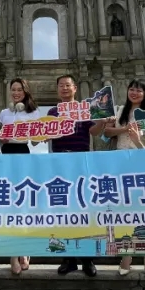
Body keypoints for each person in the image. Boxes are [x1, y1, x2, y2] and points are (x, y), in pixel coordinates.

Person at [48, 74, 109, 277]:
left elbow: (93, 131)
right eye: (61, 86)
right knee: (63, 211)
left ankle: (88, 259)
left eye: (68, 85)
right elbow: (46, 133)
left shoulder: (85, 109)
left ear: (75, 88)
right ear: (57, 90)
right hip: (59, 163)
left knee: (85, 210)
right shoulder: (52, 111)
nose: (64, 88)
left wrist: (103, 121)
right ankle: (68, 259)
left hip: (82, 162)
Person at [104, 79, 145, 277]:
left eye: (139, 90)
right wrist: (125, 130)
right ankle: (126, 255)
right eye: (132, 89)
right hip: (122, 162)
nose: (134, 93)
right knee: (126, 209)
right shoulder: (119, 111)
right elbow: (107, 131)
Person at [0, 78, 47, 275]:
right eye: (13, 89)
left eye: (19, 89)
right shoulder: (4, 113)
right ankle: (12, 254)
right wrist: (1, 136)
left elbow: (35, 142)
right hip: (7, 154)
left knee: (24, 204)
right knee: (10, 204)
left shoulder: (33, 112)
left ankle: (24, 248)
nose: (16, 92)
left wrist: (39, 134)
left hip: (24, 154)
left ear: (25, 92)